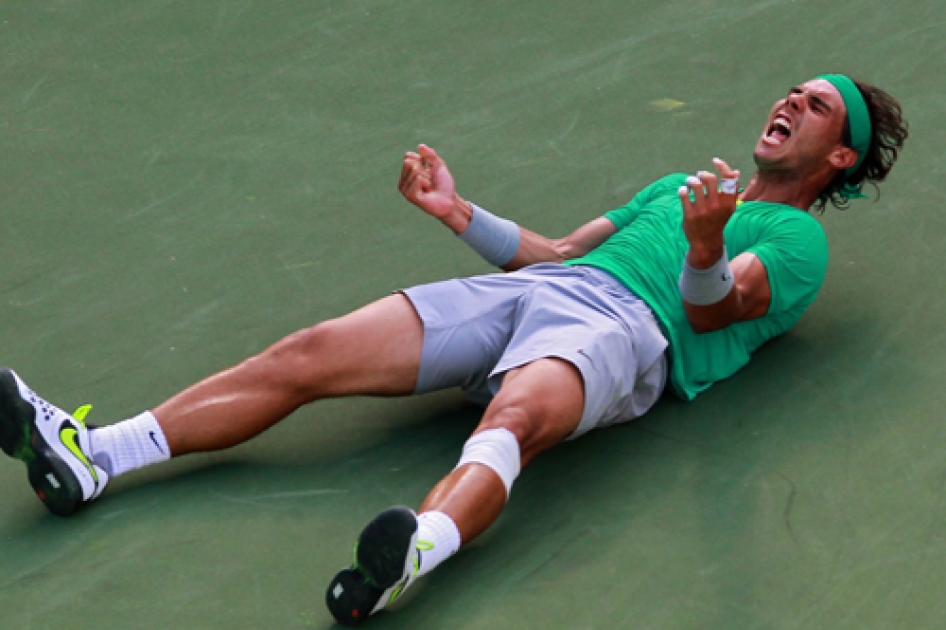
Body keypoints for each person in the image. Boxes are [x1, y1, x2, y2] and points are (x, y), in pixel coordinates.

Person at [0, 74, 907, 626]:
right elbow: (556, 253)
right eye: (794, 90)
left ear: (838, 159)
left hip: (631, 334)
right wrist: (459, 214)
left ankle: (415, 556)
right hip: (538, 292)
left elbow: (708, 313)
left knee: (516, 420)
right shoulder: (680, 183)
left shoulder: (800, 246)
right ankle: (95, 456)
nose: (791, 101)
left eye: (818, 105)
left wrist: (705, 244)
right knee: (311, 351)